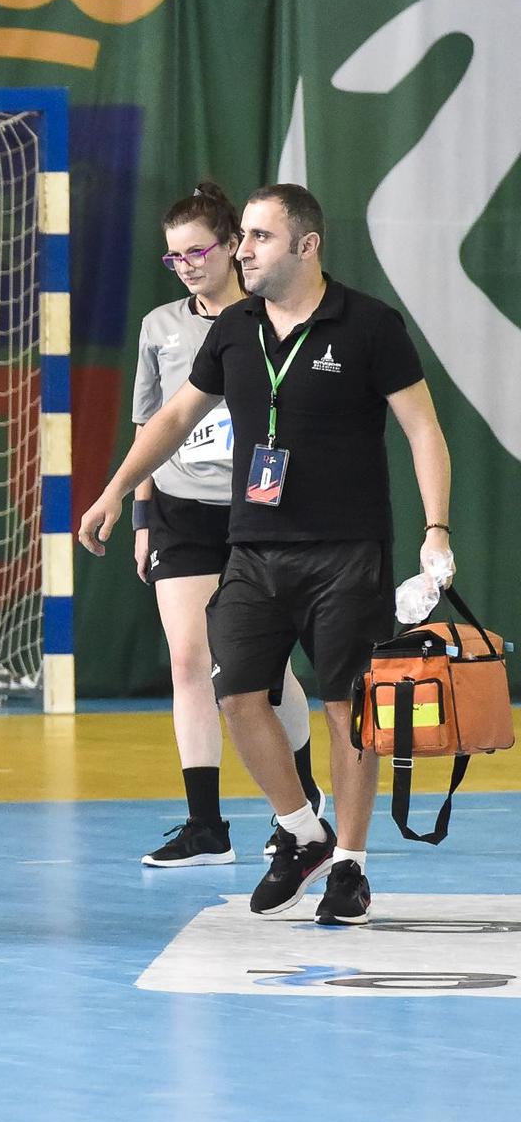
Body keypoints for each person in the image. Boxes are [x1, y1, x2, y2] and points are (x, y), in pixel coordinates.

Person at [80, 183, 453, 926]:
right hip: (254, 549)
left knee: (349, 708)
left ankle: (349, 862)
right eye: (243, 237)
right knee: (238, 695)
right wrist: (117, 488)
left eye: (259, 238)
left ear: (307, 245)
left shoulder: (371, 326)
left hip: (349, 551)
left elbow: (423, 430)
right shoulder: (234, 330)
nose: (242, 250)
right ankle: (301, 827)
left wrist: (435, 528)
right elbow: (174, 417)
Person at [131, 185, 314, 868]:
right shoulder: (160, 328)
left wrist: (274, 501)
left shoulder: (271, 318)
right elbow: (153, 425)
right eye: (173, 255)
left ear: (233, 244)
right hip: (180, 511)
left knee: (259, 671)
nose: (186, 264)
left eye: (198, 250)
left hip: (254, 511)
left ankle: (298, 802)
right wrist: (143, 517)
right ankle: (205, 824)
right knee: (189, 661)